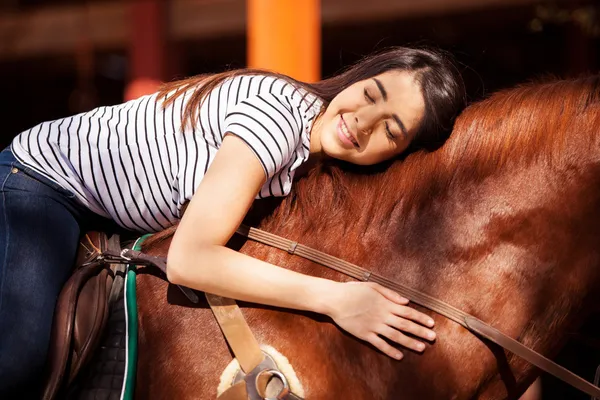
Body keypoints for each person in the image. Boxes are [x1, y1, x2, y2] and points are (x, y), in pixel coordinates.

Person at [0, 46, 466, 398]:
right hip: (42, 183)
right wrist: (338, 298)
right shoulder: (278, 120)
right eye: (371, 94)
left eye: (390, 129)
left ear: (401, 155)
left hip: (108, 213)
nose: (363, 120)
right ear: (359, 77)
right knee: (17, 357)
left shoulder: (310, 158)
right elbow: (189, 259)